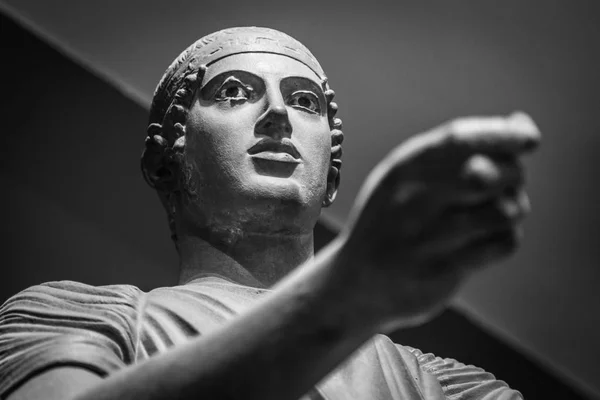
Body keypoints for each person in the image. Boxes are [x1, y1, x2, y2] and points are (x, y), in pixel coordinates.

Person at [0, 27, 540, 400]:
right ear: (169, 161)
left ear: (331, 174)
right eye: (233, 92)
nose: (278, 114)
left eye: (306, 101)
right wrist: (346, 295)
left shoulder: (446, 385)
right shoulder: (83, 317)